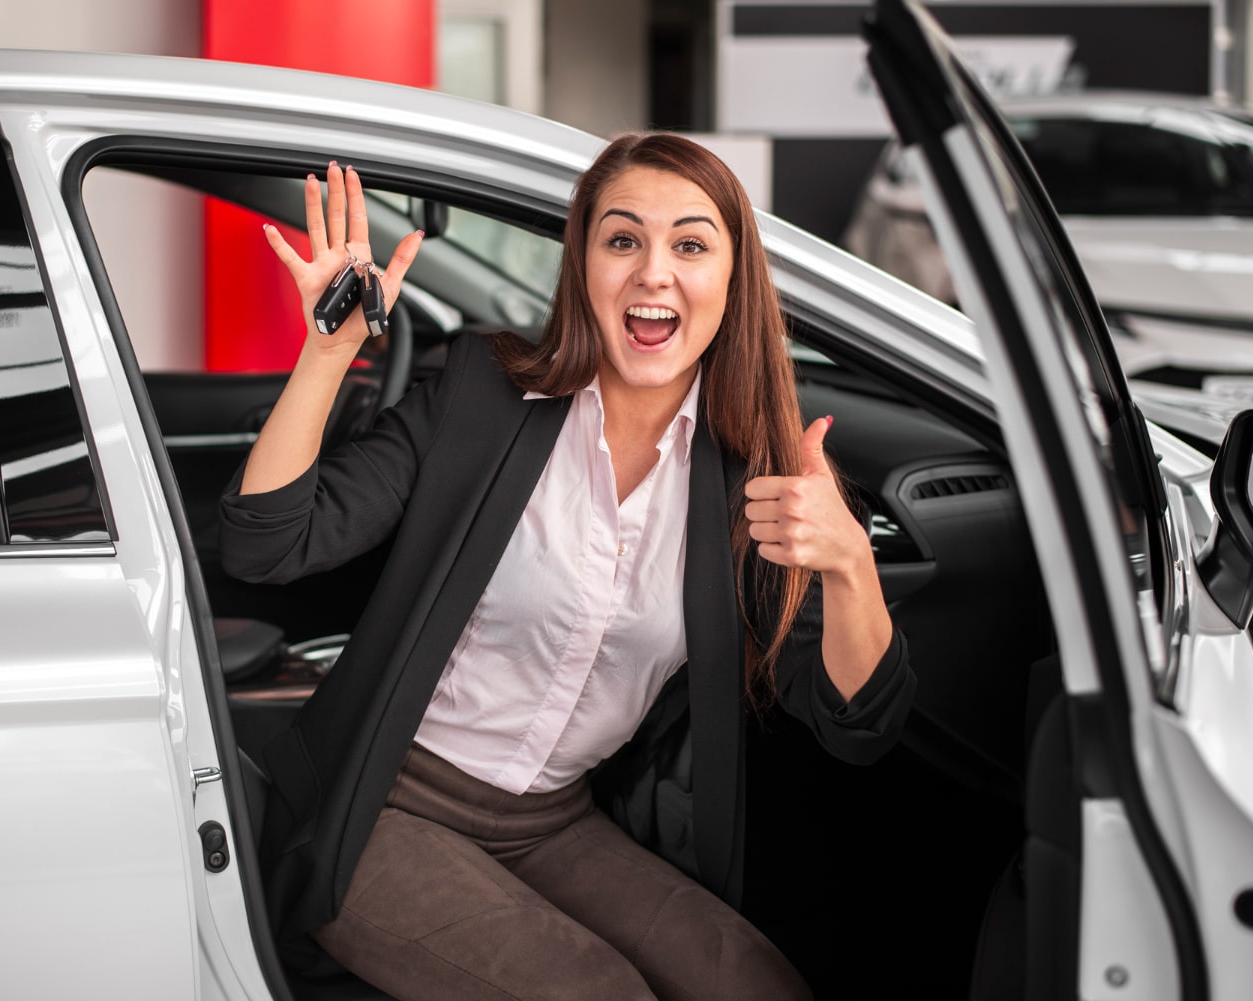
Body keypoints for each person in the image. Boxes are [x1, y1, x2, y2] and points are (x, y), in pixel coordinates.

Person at [219, 136, 917, 1001]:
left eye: (691, 245)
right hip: (377, 801)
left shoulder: (750, 474)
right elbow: (267, 543)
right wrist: (328, 354)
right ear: (583, 264)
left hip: (553, 819)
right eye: (622, 240)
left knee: (756, 983)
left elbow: (859, 724)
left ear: (733, 283)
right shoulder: (481, 392)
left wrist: (851, 563)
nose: (653, 273)